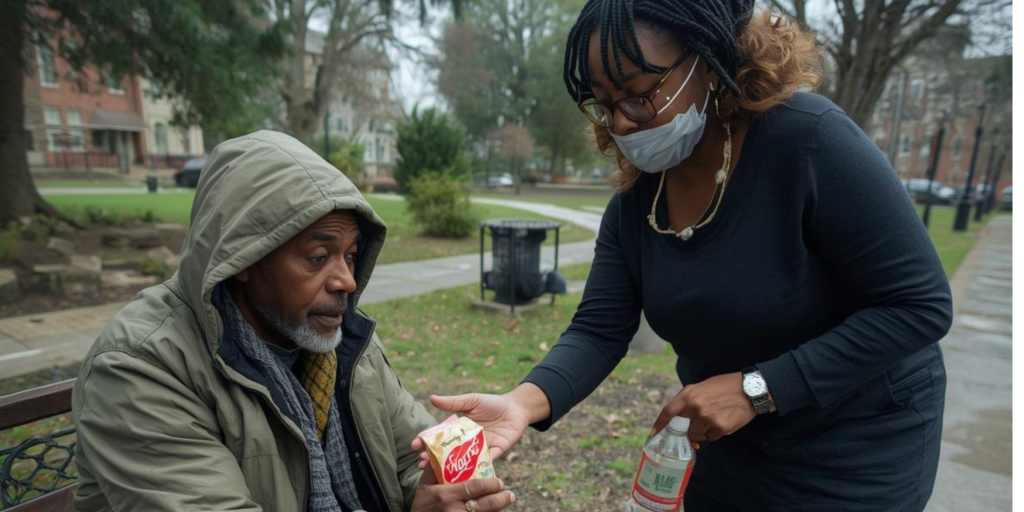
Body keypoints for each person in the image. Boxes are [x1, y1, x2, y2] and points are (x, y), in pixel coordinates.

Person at [417, 1, 953, 510]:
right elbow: (598, 331)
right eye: (604, 105)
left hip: (858, 440)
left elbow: (919, 305)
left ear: (711, 60)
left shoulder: (809, 142)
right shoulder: (637, 204)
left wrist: (758, 389)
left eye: (639, 96)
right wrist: (521, 402)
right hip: (726, 440)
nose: (621, 124)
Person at [72, 131, 516, 512]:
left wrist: (440, 494)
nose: (345, 280)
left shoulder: (342, 345)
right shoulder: (140, 370)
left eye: (351, 255)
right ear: (242, 258)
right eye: (318, 257)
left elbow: (409, 459)